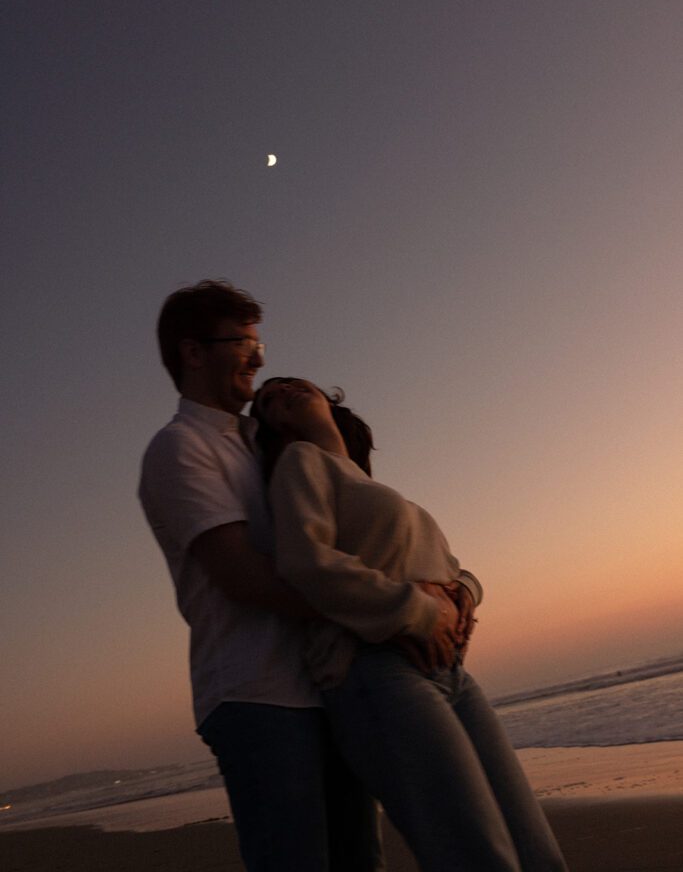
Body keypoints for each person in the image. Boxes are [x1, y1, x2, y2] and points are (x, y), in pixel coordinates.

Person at [250, 376, 569, 872]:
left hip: (452, 674)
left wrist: (464, 592)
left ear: (330, 402)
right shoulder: (300, 464)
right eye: (267, 400)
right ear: (274, 429)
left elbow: (448, 567)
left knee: (537, 850)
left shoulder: (369, 487)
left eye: (292, 384)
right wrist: (419, 612)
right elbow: (306, 563)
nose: (280, 393)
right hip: (377, 671)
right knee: (477, 856)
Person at [138, 282, 385, 872]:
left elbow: (352, 525)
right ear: (193, 352)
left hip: (327, 684)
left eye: (259, 343)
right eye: (244, 343)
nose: (259, 357)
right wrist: (386, 609)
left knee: (360, 860)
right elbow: (243, 577)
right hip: (258, 695)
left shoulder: (266, 438)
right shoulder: (180, 449)